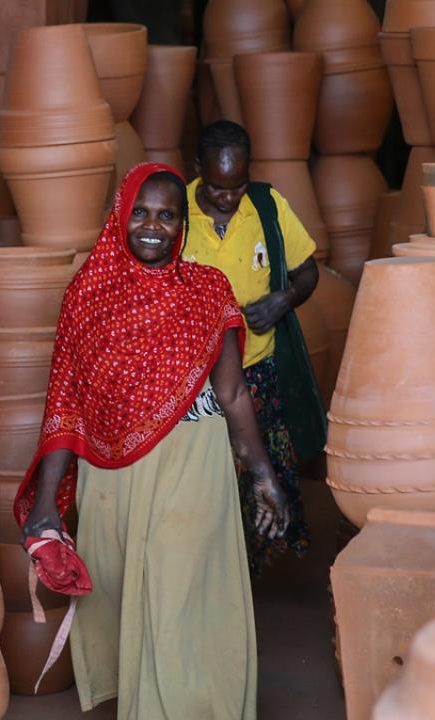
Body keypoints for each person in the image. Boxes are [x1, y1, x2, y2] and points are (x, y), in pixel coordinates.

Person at [16, 162, 290, 719]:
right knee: (129, 602)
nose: (152, 227)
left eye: (167, 216)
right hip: (113, 476)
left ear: (183, 224)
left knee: (180, 596)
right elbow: (65, 404)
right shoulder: (87, 295)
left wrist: (263, 474)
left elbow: (233, 391)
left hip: (194, 465)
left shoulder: (207, 290)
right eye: (140, 212)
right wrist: (46, 503)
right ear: (119, 215)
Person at [184, 120, 321, 575]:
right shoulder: (174, 213)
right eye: (217, 187)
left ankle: (252, 579)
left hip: (258, 373)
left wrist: (285, 298)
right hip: (195, 386)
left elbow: (307, 271)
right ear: (197, 169)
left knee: (265, 479)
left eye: (237, 185)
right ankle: (215, 575)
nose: (228, 198)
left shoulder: (266, 205)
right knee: (208, 488)